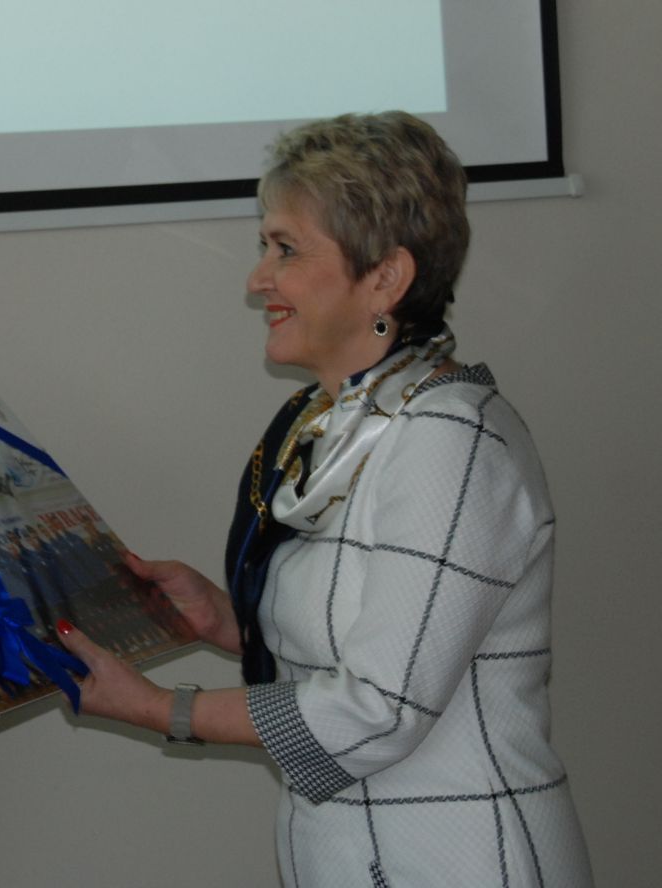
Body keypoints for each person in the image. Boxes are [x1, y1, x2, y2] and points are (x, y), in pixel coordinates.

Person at [55, 112, 593, 885]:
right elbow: (374, 632)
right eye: (264, 247)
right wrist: (231, 620)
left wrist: (161, 708)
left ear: (386, 278)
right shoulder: (332, 422)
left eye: (286, 249)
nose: (258, 280)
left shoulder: (451, 439)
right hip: (354, 854)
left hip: (465, 859)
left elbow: (379, 709)